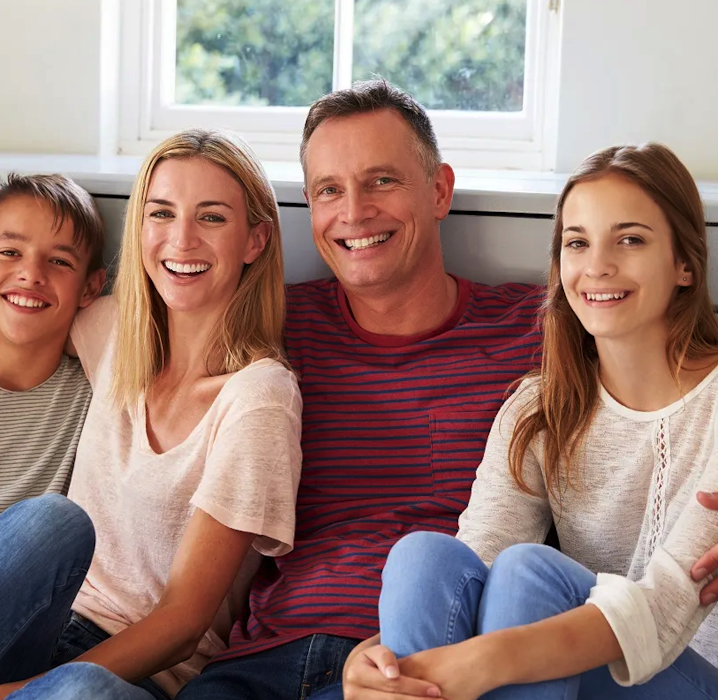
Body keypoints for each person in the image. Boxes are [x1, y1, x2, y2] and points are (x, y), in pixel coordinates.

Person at [175, 80, 543, 700]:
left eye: (381, 181)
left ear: (439, 190)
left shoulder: (533, 330)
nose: (353, 211)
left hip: (410, 660)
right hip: (261, 660)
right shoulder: (271, 326)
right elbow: (110, 330)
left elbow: (676, 360)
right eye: (329, 190)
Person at [342, 142, 718, 700]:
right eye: (577, 243)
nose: (597, 266)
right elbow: (474, 567)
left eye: (630, 240)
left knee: (528, 574)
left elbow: (666, 607)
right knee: (423, 557)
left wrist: (490, 660)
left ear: (684, 263)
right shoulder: (539, 408)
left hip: (690, 676)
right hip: (565, 676)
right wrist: (377, 658)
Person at [0, 129, 302, 700]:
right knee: (51, 521)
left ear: (254, 240)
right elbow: (10, 323)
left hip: (134, 674)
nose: (181, 239)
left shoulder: (258, 398)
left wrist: (0, 697)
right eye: (162, 213)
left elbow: (183, 624)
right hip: (38, 628)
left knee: (82, 689)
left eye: (211, 218)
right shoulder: (113, 330)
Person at [0, 173, 105, 568]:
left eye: (60, 261)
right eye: (10, 252)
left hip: (9, 594)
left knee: (51, 519)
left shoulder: (96, 395)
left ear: (90, 288)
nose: (32, 274)